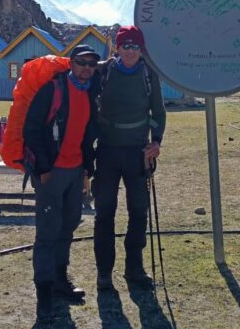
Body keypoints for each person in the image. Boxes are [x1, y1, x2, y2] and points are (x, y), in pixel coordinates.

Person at [23, 44, 100, 322]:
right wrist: (43, 168)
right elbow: (30, 128)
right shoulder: (53, 90)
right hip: (51, 173)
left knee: (68, 225)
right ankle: (44, 291)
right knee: (47, 231)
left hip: (75, 169)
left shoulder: (90, 91)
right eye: (81, 62)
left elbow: (88, 132)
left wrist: (86, 168)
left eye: (92, 65)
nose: (86, 69)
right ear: (71, 63)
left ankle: (59, 278)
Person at [92, 25, 166, 291]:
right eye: (126, 45)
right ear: (118, 47)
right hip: (108, 151)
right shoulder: (104, 71)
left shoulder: (148, 74)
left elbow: (158, 110)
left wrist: (156, 141)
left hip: (138, 152)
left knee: (138, 211)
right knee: (104, 213)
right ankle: (104, 273)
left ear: (141, 48)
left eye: (135, 46)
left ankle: (134, 269)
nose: (131, 51)